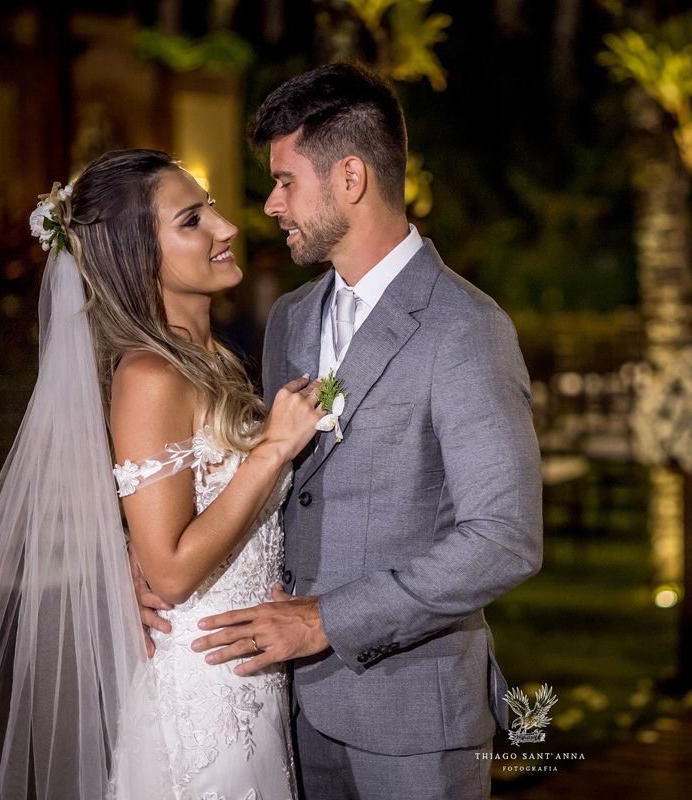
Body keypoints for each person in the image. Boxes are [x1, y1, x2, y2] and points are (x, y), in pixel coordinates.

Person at [138, 63, 545, 799]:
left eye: (285, 182)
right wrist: (149, 568)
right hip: (284, 708)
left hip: (414, 724)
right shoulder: (290, 319)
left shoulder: (465, 328)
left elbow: (504, 538)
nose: (270, 205)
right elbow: (263, 486)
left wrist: (328, 620)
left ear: (350, 177)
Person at [0, 149, 324, 799]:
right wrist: (273, 450)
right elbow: (169, 573)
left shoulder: (215, 360)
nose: (226, 227)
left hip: (253, 683)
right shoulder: (149, 376)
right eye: (192, 220)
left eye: (211, 209)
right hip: (204, 694)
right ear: (139, 258)